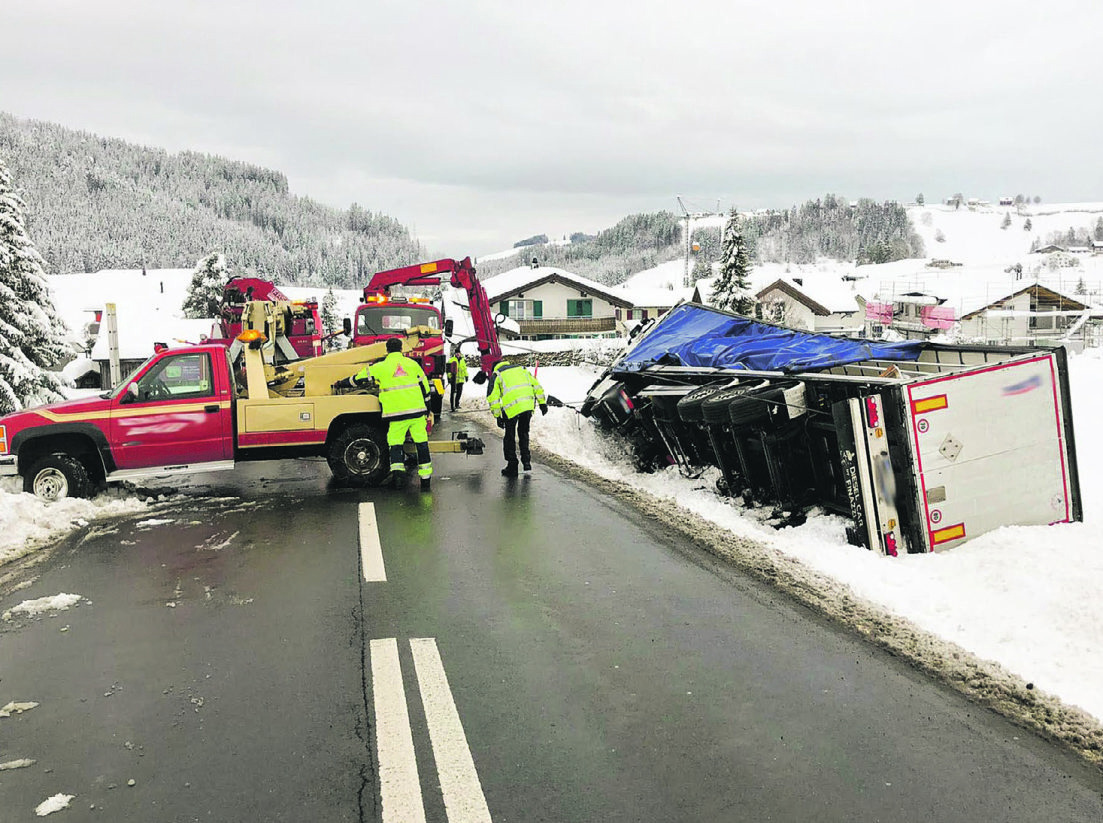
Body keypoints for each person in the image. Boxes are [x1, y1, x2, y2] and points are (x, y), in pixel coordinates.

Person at [335, 338, 433, 491]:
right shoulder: (412, 365)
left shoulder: (380, 367)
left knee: (395, 445)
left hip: (396, 416)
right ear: (401, 349)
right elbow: (425, 388)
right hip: (417, 412)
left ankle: (398, 479)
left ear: (387, 350)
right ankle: (426, 480)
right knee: (421, 444)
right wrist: (427, 408)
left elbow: (358, 379)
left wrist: (342, 383)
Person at [487, 359, 547, 477]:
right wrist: (542, 403)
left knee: (510, 436)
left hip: (511, 408)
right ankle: (526, 463)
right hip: (527, 405)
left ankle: (512, 465)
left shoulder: (497, 374)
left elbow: (492, 397)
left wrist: (498, 416)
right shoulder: (521, 369)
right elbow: (537, 386)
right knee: (523, 433)